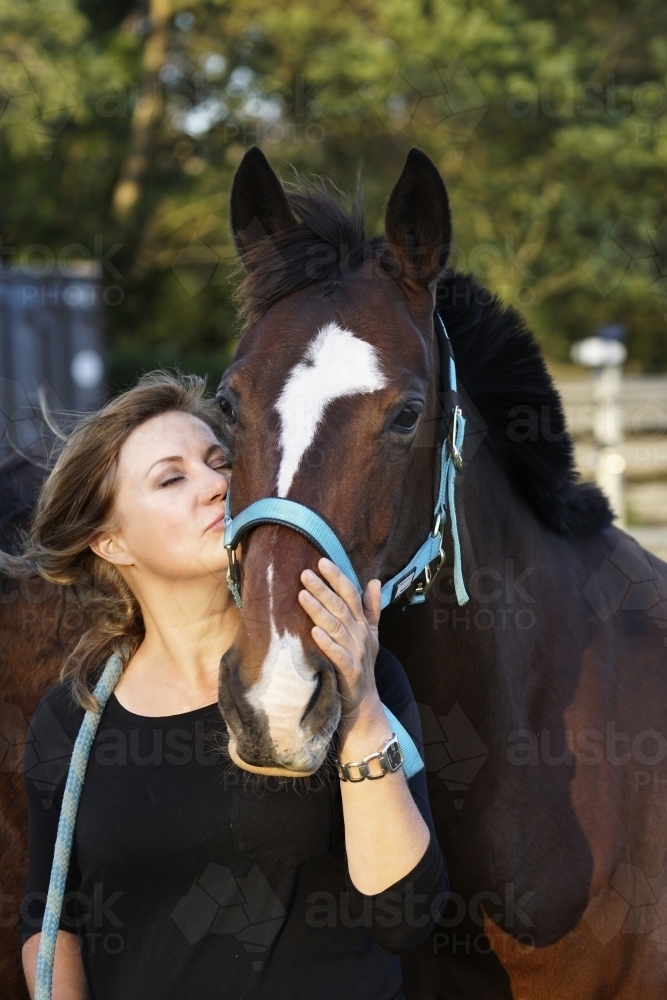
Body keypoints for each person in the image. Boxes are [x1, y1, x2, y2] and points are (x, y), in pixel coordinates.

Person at [16, 371, 448, 1000]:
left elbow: (406, 918)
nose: (219, 486)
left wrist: (363, 707)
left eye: (221, 463)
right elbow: (51, 922)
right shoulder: (72, 720)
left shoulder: (337, 668)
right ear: (109, 541)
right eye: (172, 478)